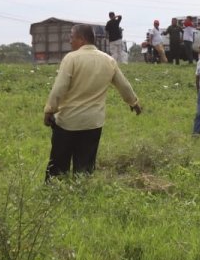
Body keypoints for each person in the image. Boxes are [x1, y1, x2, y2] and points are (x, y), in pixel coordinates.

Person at [43, 24, 142, 179]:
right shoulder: (108, 60)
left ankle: (55, 195)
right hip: (93, 123)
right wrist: (134, 102)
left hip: (68, 122)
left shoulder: (71, 58)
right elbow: (124, 85)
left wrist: (49, 110)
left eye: (72, 37)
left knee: (58, 167)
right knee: (84, 169)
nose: (70, 41)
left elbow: (59, 88)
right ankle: (82, 195)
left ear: (81, 39)